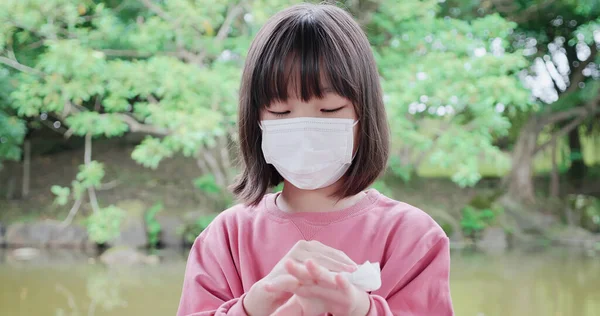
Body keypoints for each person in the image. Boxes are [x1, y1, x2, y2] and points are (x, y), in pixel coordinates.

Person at [177, 3, 454, 316]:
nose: (305, 131)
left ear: (365, 114)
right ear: (255, 120)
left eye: (329, 110)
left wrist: (362, 310)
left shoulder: (412, 237)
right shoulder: (227, 237)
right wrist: (254, 305)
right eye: (281, 112)